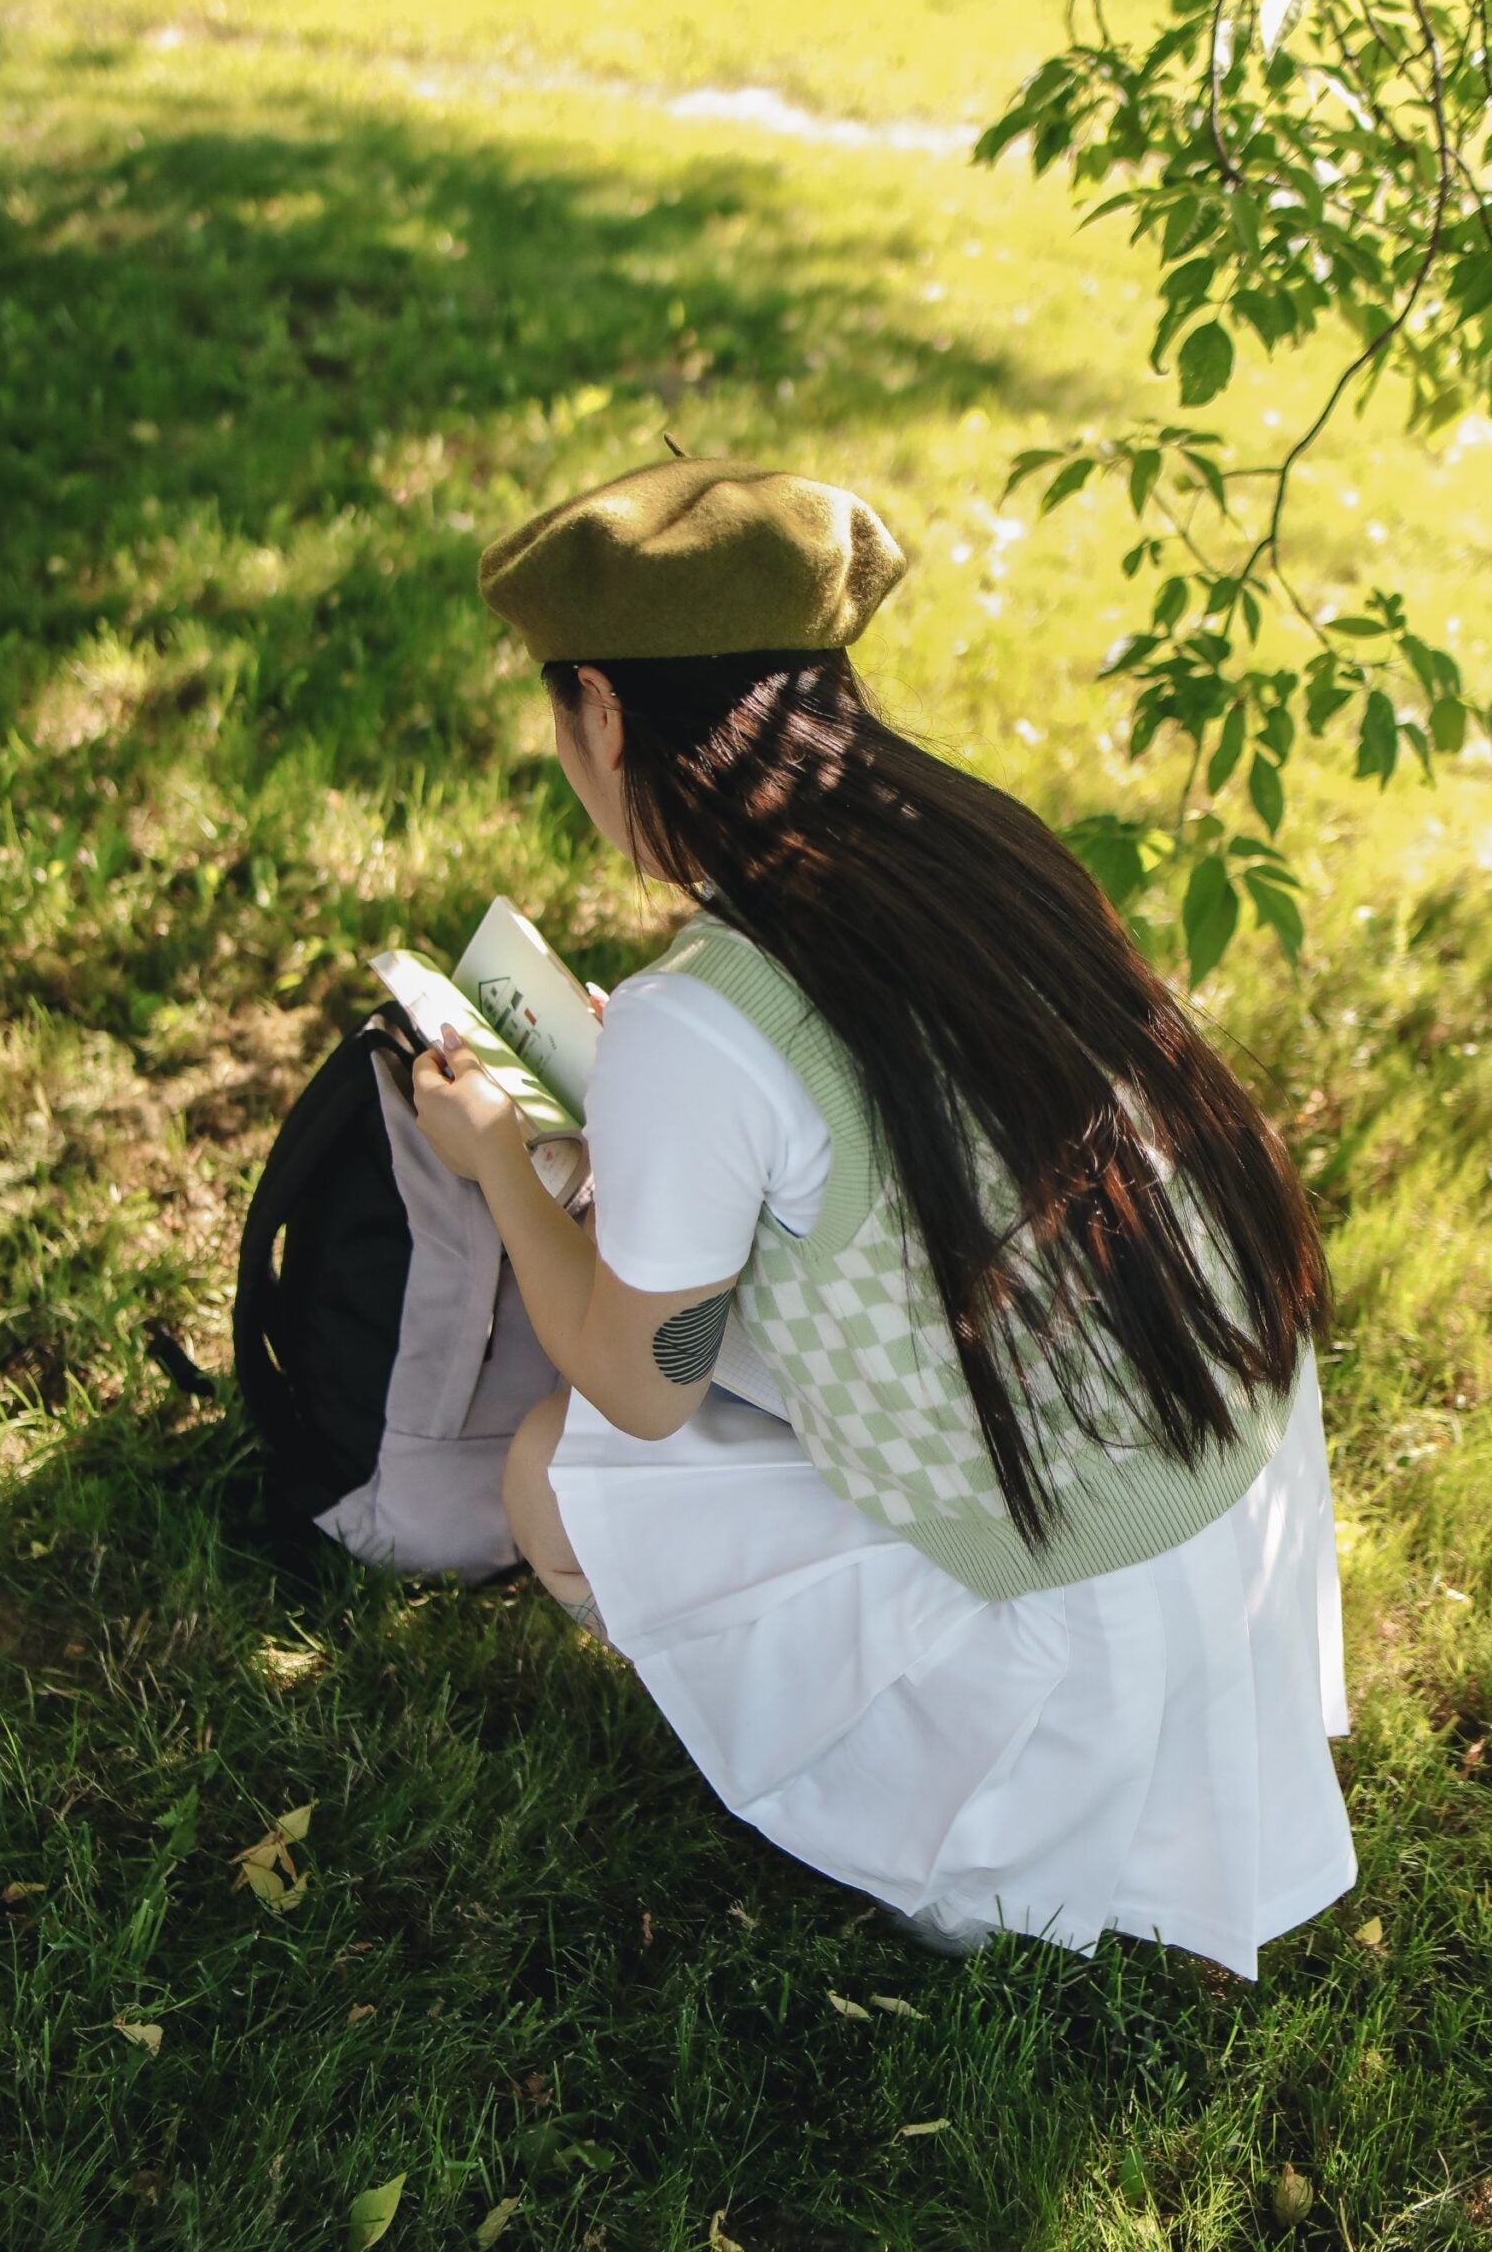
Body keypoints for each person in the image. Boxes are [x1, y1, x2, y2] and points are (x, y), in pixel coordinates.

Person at [410, 454, 1357, 1975]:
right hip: (1209, 1497)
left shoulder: (702, 1018)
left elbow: (645, 1389)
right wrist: (646, 1115)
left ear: (598, 708)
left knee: (553, 1472)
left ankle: (936, 1828)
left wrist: (497, 1164)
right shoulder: (974, 849)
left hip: (1063, 1637)